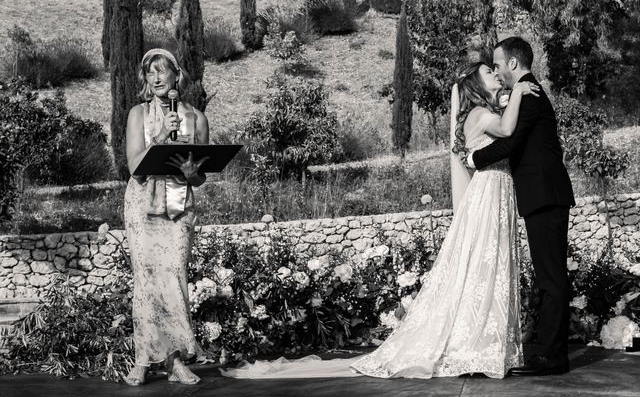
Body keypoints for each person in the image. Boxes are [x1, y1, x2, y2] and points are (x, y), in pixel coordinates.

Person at [221, 62, 540, 380]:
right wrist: (520, 92)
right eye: (488, 73)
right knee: (484, 267)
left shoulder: (481, 113)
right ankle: (474, 345)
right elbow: (509, 130)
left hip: (492, 195)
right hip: (486, 196)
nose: (495, 75)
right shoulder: (481, 116)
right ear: (475, 86)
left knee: (488, 268)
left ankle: (480, 342)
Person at [468, 37, 575, 376]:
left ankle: (552, 357)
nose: (497, 72)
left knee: (551, 279)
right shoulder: (524, 92)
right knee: (549, 276)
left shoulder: (527, 92)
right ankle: (548, 352)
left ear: (513, 63)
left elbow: (511, 143)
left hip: (545, 194)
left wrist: (473, 157)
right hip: (542, 195)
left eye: (498, 65)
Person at [123, 48, 210, 386]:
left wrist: (191, 173)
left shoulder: (196, 118)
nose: (156, 78)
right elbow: (134, 167)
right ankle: (143, 359)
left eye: (162, 71)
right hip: (142, 203)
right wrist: (160, 138)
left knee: (173, 277)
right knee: (146, 281)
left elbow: (200, 175)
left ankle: (174, 362)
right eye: (150, 73)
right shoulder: (137, 115)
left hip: (177, 201)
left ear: (176, 75)